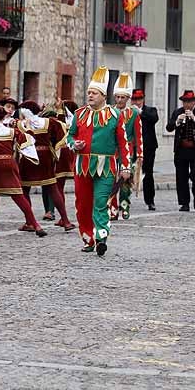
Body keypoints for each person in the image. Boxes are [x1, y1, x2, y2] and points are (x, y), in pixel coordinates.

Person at [67, 67, 130, 257]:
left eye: (94, 93)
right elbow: (69, 136)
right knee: (83, 205)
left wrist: (126, 166)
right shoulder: (79, 114)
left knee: (101, 202)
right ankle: (88, 238)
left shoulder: (115, 115)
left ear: (103, 95)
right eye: (88, 93)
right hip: (82, 166)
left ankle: (101, 236)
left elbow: (123, 142)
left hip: (106, 167)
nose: (90, 96)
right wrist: (73, 144)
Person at [0, 105, 46, 237]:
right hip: (10, 163)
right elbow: (29, 139)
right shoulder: (12, 131)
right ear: (4, 116)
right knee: (18, 195)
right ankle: (36, 225)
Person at [18, 100, 74, 232]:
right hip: (46, 157)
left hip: (28, 158)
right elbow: (62, 131)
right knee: (52, 188)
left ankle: (29, 222)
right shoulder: (48, 122)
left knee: (25, 189)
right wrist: (53, 147)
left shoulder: (21, 125)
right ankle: (65, 220)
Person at [166, 90, 195, 212]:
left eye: (189, 102)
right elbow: (168, 127)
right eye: (185, 102)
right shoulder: (178, 112)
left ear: (193, 102)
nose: (187, 104)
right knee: (181, 177)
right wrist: (177, 122)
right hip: (181, 149)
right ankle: (184, 203)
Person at [111, 73, 141, 221]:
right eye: (118, 97)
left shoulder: (134, 113)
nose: (120, 100)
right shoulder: (109, 112)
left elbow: (138, 135)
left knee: (125, 182)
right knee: (111, 182)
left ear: (128, 99)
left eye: (123, 97)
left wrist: (140, 154)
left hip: (126, 152)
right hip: (111, 152)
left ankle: (125, 205)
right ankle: (112, 209)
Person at [131, 89, 159, 211]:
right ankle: (124, 200)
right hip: (133, 146)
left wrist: (140, 112)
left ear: (143, 99)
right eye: (134, 99)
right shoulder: (129, 112)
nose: (136, 101)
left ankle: (150, 201)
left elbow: (154, 119)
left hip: (148, 147)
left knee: (148, 174)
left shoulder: (150, 110)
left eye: (139, 99)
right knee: (128, 172)